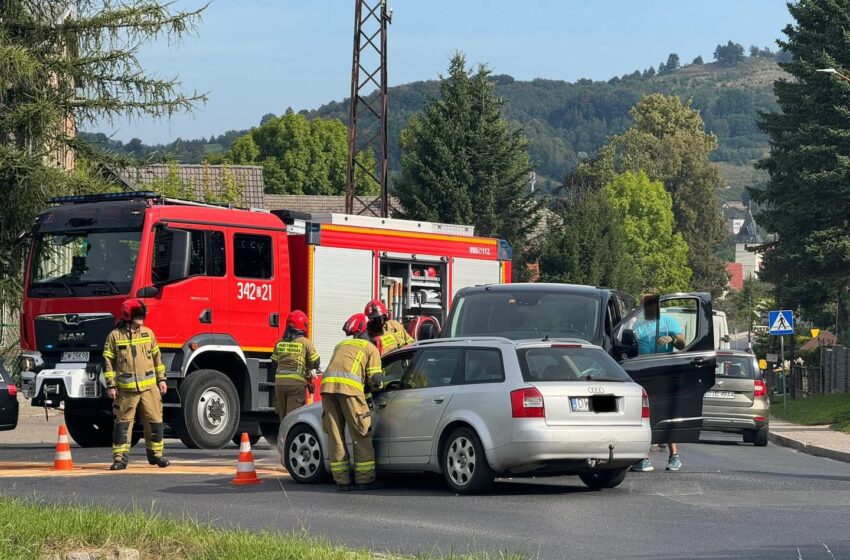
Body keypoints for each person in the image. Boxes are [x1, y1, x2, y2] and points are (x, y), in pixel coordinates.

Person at [103, 299, 169, 470]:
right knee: (123, 424)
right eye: (138, 315)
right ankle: (120, 459)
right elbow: (108, 362)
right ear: (128, 316)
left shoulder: (148, 334)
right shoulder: (114, 336)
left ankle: (156, 455)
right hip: (126, 391)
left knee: (155, 421)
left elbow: (157, 359)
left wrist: (161, 379)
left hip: (150, 389)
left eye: (142, 315)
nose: (142, 318)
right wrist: (111, 385)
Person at [321, 313, 384, 491]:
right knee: (361, 434)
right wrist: (379, 385)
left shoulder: (340, 345)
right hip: (350, 392)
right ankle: (365, 480)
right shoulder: (370, 348)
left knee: (335, 437)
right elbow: (376, 380)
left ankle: (342, 481)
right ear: (366, 330)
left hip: (327, 390)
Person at [630, 294, 686, 473]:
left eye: (651, 306)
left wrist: (673, 339)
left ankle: (674, 456)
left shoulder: (669, 323)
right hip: (643, 372)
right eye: (645, 306)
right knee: (645, 414)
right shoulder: (638, 325)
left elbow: (682, 344)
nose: (648, 309)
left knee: (665, 413)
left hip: (663, 372)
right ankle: (644, 458)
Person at [271, 310, 320, 420]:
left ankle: (282, 437)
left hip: (279, 385)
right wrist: (310, 369)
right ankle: (290, 437)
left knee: (283, 418)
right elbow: (316, 362)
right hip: (296, 385)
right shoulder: (305, 342)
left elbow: (273, 364)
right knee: (293, 418)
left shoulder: (279, 343)